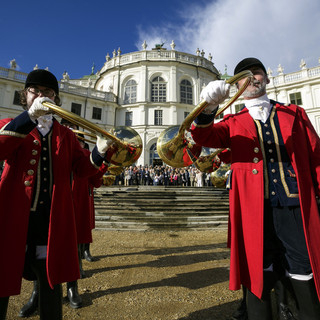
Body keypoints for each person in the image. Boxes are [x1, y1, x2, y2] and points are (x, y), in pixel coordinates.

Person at [190, 58, 320, 320]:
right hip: (254, 210)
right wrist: (208, 108)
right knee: (257, 269)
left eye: (256, 73)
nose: (251, 79)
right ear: (236, 85)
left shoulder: (294, 113)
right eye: (244, 76)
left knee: (303, 267)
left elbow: (317, 157)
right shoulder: (231, 121)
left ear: (267, 78)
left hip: (295, 206)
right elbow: (201, 136)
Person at [0, 69, 114, 320]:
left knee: (51, 285)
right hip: (11, 219)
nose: (41, 96)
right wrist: (28, 118)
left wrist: (100, 152)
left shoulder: (67, 135)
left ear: (56, 98)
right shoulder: (10, 124)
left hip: (48, 222)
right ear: (25, 95)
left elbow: (83, 169)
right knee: (1, 282)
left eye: (48, 92)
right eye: (35, 91)